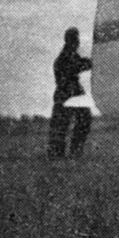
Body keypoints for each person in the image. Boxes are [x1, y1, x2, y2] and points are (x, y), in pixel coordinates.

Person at [48, 27, 93, 159]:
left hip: (70, 92)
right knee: (62, 126)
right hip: (67, 92)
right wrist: (90, 62)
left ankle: (71, 152)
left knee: (80, 121)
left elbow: (80, 64)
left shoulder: (70, 55)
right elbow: (77, 66)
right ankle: (63, 153)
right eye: (75, 39)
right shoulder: (65, 57)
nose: (77, 42)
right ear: (70, 40)